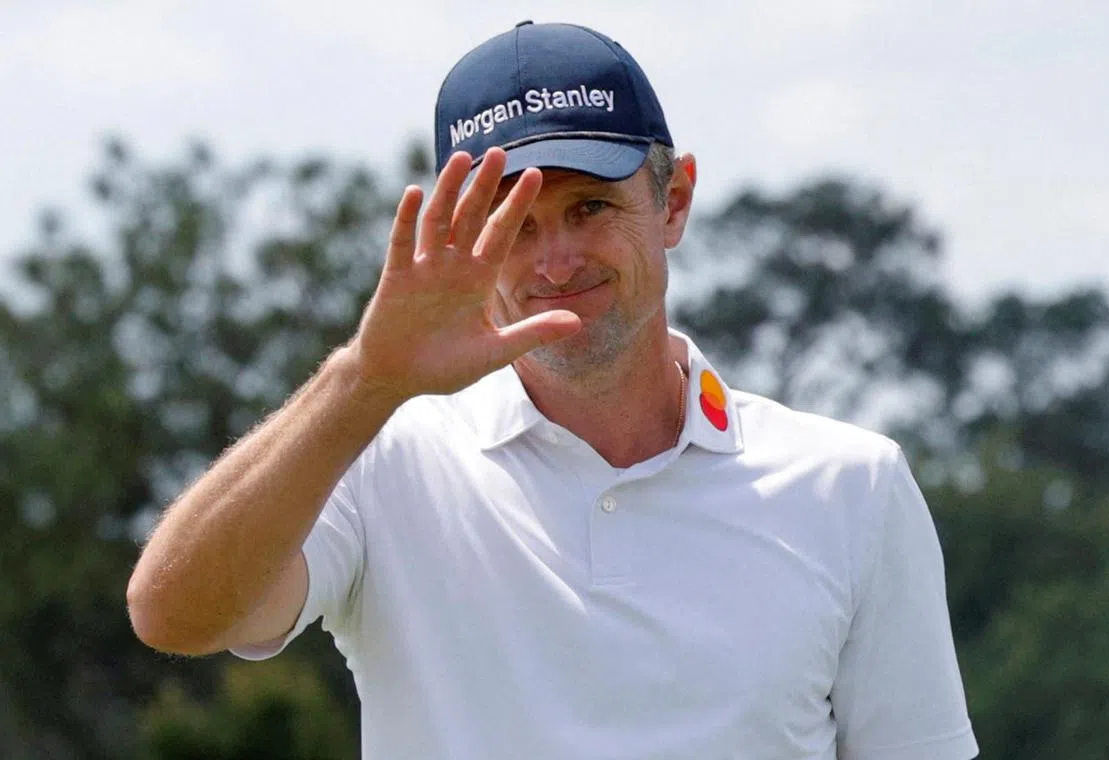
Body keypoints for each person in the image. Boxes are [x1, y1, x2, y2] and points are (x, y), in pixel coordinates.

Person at [127, 20, 979, 760]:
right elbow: (175, 614)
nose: (555, 261)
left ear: (673, 200)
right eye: (514, 224)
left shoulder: (852, 484)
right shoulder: (384, 454)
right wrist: (363, 380)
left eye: (590, 209)